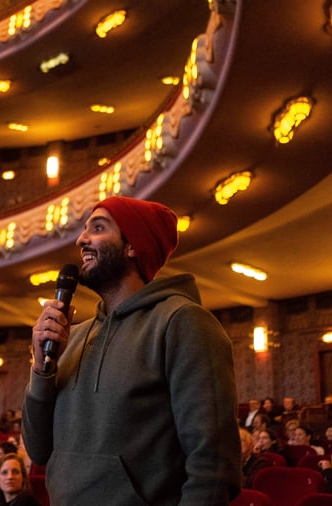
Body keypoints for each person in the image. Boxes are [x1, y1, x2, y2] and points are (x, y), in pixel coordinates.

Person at [22, 196, 240, 504]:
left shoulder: (182, 322)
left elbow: (213, 465)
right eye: (85, 230)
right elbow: (38, 449)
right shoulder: (73, 337)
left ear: (133, 245)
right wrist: (42, 370)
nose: (82, 239)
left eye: (98, 228)